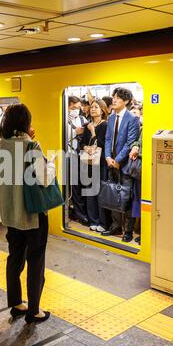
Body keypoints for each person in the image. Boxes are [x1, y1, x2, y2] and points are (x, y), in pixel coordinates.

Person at [0, 104, 55, 324]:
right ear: (26, 123)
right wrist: (51, 164)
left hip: (10, 213)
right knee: (35, 260)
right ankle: (34, 310)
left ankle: (17, 303)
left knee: (14, 257)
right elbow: (45, 178)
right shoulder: (32, 145)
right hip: (32, 215)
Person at [102, 87, 140, 242]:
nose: (114, 100)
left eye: (117, 98)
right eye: (113, 97)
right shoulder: (111, 118)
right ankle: (116, 226)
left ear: (126, 101)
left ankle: (128, 230)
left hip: (125, 165)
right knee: (113, 195)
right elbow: (108, 139)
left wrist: (117, 160)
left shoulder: (133, 119)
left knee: (128, 197)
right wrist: (107, 157)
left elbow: (130, 142)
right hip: (111, 163)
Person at [80, 98, 110, 232]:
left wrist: (93, 132)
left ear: (102, 110)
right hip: (89, 162)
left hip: (101, 163)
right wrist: (86, 148)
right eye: (92, 107)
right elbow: (82, 143)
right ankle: (93, 220)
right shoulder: (87, 124)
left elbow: (103, 144)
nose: (93, 109)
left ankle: (103, 222)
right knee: (89, 191)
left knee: (100, 192)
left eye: (96, 107)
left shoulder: (105, 125)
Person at [68, 96, 88, 225]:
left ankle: (80, 211)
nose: (76, 110)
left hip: (82, 155)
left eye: (78, 107)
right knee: (74, 187)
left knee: (82, 185)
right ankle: (80, 214)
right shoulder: (63, 119)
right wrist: (75, 132)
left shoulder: (82, 119)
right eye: (73, 108)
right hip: (69, 155)